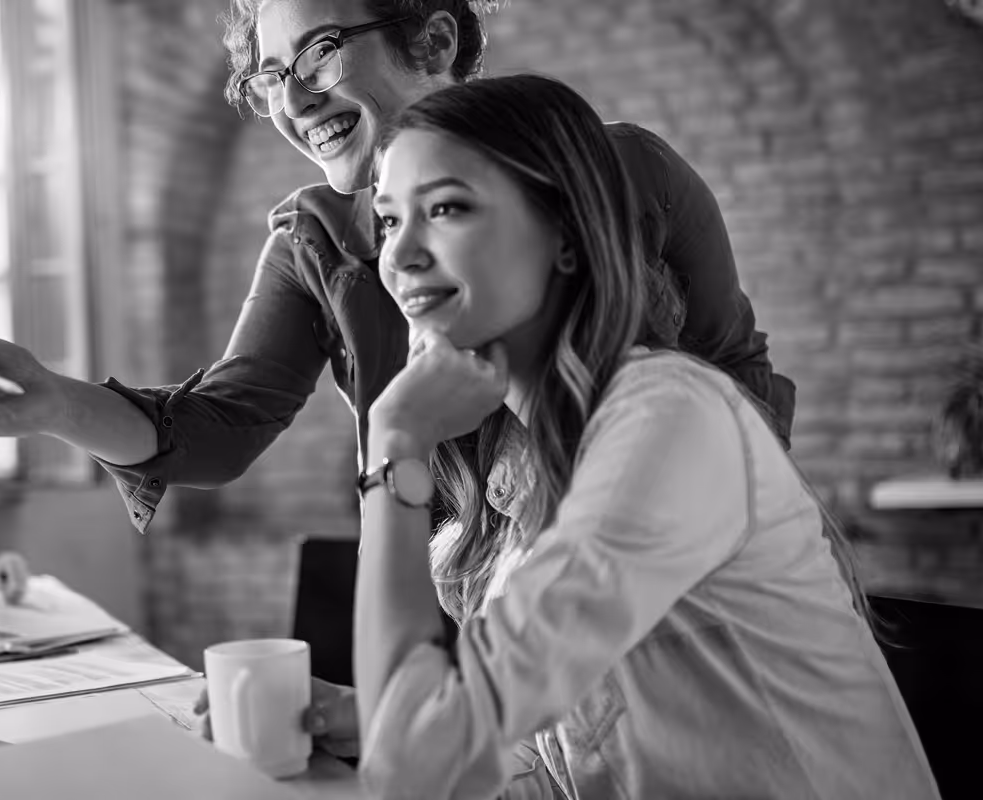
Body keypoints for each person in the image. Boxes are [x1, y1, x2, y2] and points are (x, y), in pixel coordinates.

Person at [0, 0, 793, 763]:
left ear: (433, 40)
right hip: (521, 683)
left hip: (680, 644)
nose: (292, 95)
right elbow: (220, 427)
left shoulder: (620, 189)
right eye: (269, 75)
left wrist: (677, 525)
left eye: (316, 51)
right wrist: (56, 406)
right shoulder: (318, 241)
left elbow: (732, 400)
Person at [350, 74, 936, 798]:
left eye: (444, 208)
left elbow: (405, 768)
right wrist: (393, 718)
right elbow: (560, 760)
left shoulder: (669, 419)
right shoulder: (518, 470)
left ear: (565, 235)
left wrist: (394, 443)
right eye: (387, 220)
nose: (400, 256)